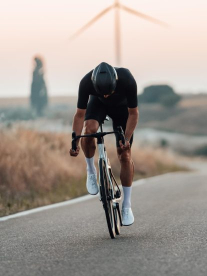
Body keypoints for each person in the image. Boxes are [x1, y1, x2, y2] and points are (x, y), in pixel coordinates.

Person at [70, 62, 139, 226]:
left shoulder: (127, 79)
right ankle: (91, 170)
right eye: (103, 93)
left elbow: (133, 113)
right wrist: (75, 142)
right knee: (89, 130)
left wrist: (126, 140)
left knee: (125, 155)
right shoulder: (86, 82)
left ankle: (127, 206)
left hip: (123, 111)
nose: (107, 96)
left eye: (109, 92)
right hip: (98, 106)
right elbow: (80, 115)